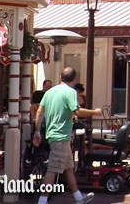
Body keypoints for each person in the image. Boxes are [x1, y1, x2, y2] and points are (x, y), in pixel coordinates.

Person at [33, 67, 101, 204]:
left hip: (55, 134)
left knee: (69, 168)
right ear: (74, 80)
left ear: (60, 77)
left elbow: (40, 111)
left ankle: (78, 198)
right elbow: (77, 111)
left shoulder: (50, 92)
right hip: (60, 136)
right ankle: (42, 200)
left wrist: (37, 131)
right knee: (52, 169)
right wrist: (94, 112)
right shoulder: (70, 92)